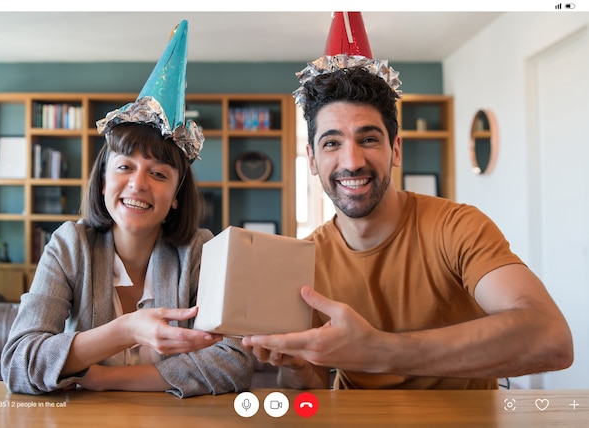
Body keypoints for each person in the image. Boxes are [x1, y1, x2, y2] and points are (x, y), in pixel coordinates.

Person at [242, 12, 573, 390]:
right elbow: (309, 396)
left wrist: (377, 350)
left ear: (395, 149)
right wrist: (299, 366)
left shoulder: (457, 227)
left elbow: (551, 338)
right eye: (332, 142)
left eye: (368, 139)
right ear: (313, 160)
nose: (351, 161)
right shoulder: (303, 259)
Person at [1, 21, 253, 396]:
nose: (138, 184)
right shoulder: (70, 246)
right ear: (103, 181)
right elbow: (19, 363)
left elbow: (235, 361)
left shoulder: (200, 250)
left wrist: (106, 378)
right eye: (124, 167)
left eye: (158, 173)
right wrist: (126, 329)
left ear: (177, 195)